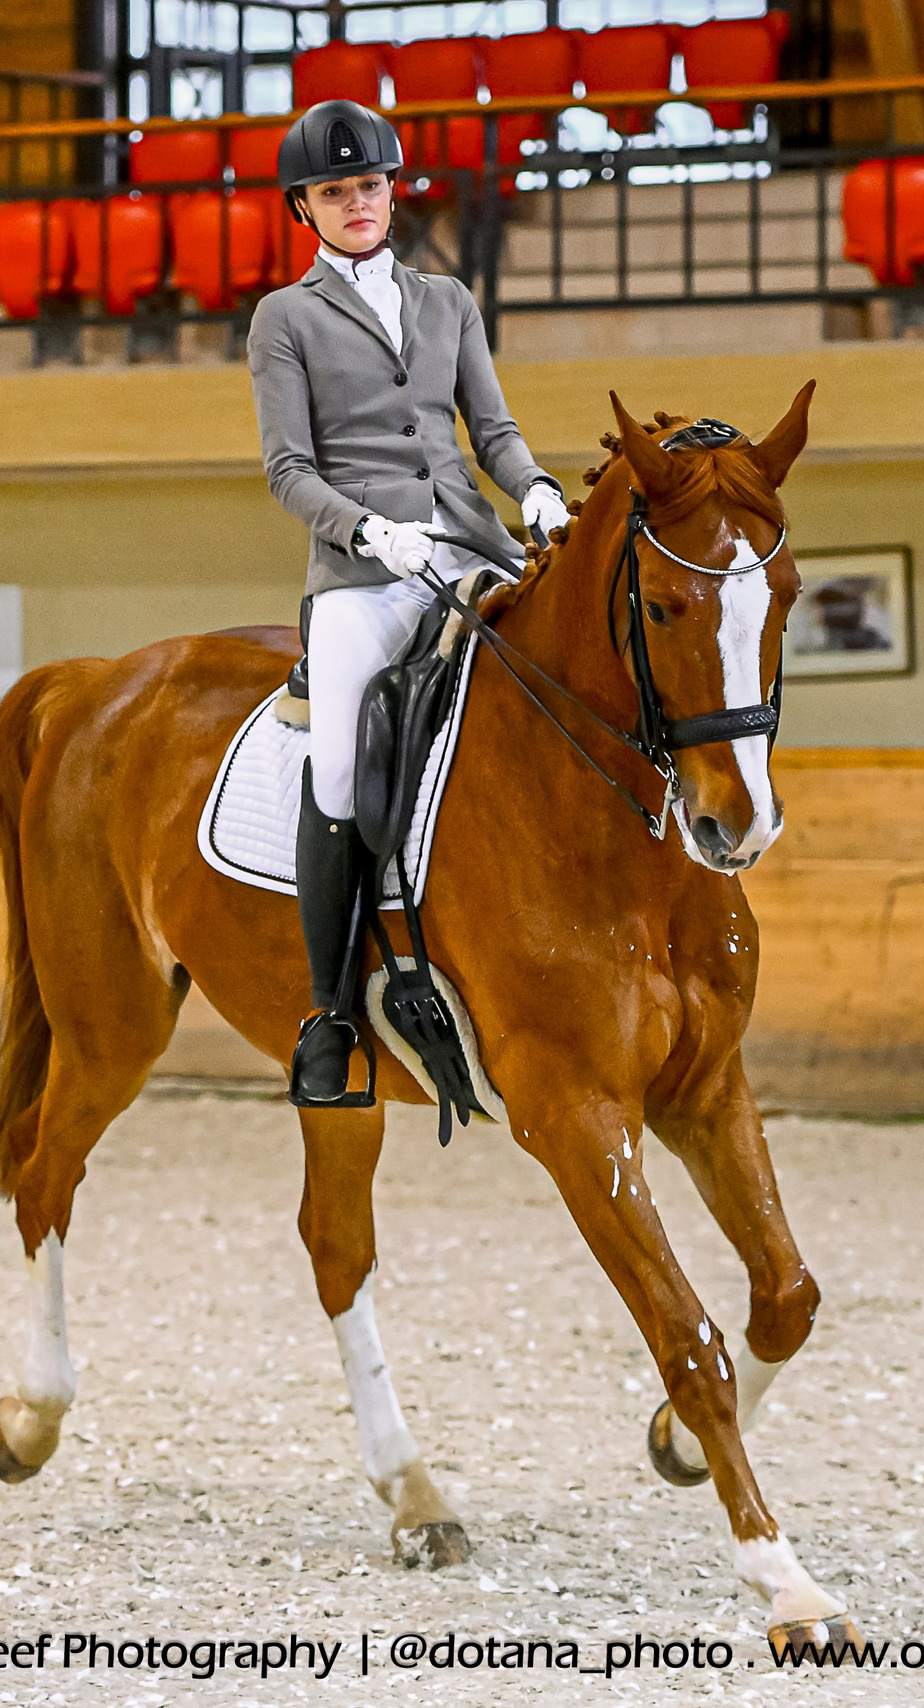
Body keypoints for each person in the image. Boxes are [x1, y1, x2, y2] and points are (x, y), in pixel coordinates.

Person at [247, 99, 571, 1109]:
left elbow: (493, 429)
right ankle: (331, 1012)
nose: (356, 202)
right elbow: (288, 471)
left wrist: (536, 490)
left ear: (392, 190)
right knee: (339, 763)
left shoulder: (448, 302)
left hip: (470, 552)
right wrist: (365, 531)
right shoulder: (284, 318)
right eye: (334, 190)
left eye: (370, 184)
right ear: (304, 206)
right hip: (358, 577)